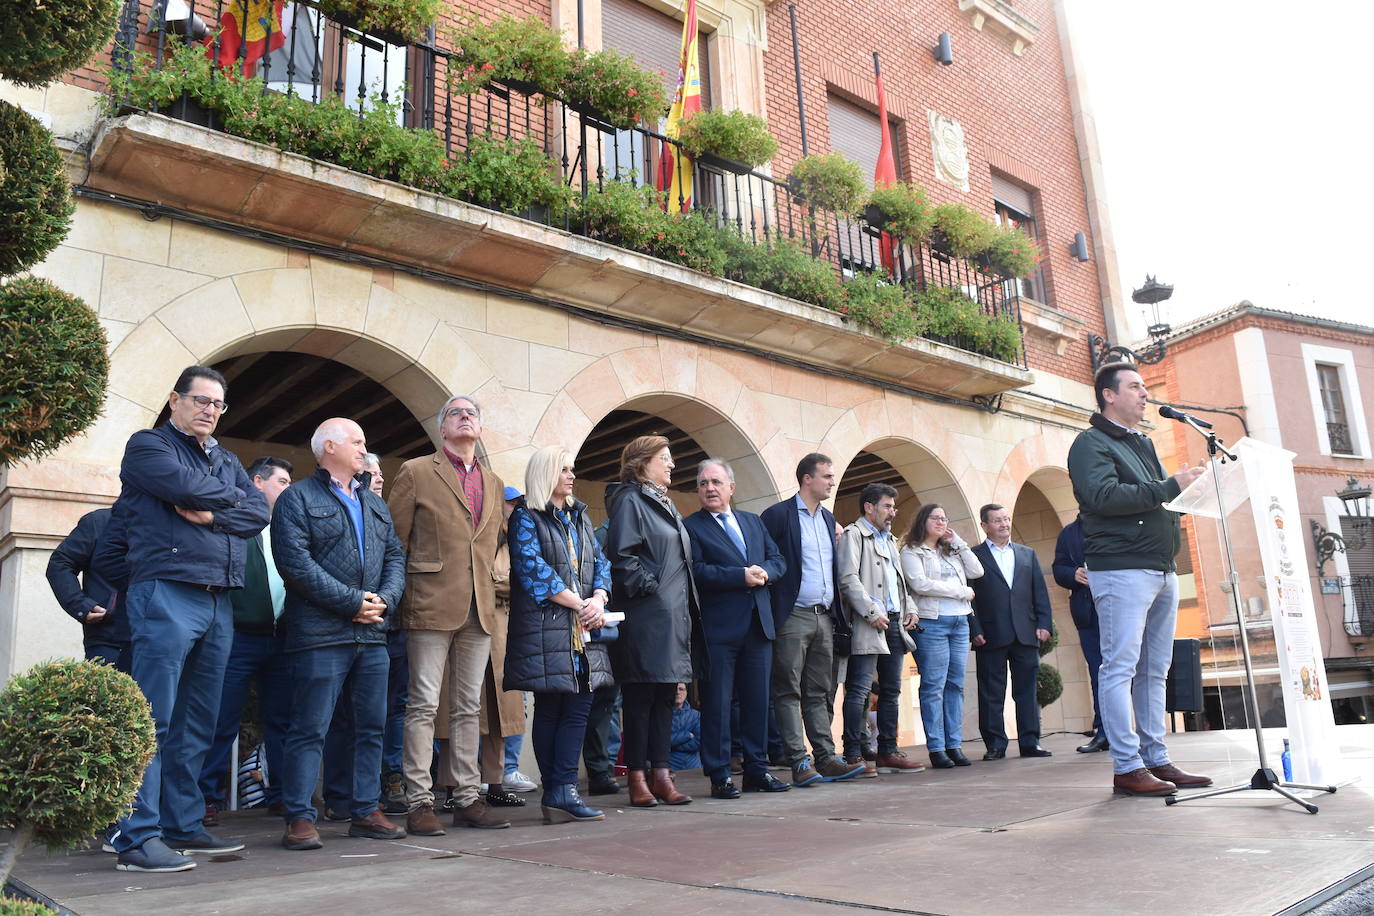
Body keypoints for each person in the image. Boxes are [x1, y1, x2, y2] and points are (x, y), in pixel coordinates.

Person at [110, 365, 268, 872]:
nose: (209, 411)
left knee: (198, 721)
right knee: (151, 718)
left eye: (218, 404)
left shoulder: (225, 457)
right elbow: (184, 486)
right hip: (166, 590)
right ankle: (136, 837)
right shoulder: (148, 446)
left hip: (218, 599)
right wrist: (224, 499)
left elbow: (259, 512)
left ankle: (181, 825)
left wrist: (211, 512)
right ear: (175, 400)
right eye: (201, 400)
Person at [1066, 362, 1212, 797]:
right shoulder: (1089, 444)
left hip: (1161, 568)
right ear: (1108, 395)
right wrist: (1171, 486)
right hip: (1122, 570)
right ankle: (1127, 766)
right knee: (1120, 667)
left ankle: (1156, 758)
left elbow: (1153, 501)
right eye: (1135, 387)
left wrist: (1189, 491)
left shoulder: (1142, 442)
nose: (1145, 394)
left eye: (1145, 387)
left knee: (1155, 670)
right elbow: (1104, 497)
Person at [273, 419, 407, 850]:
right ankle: (299, 816)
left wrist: (383, 600)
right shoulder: (297, 498)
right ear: (329, 446)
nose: (364, 449)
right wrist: (353, 602)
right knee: (310, 727)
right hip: (319, 634)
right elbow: (294, 564)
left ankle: (365, 810)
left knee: (372, 726)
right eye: (357, 441)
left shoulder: (375, 503)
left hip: (372, 635)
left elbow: (395, 558)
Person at [389, 394, 509, 833]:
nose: (464, 417)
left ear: (479, 429)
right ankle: (419, 801)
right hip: (428, 603)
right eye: (455, 413)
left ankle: (467, 797)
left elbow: (494, 543)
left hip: (480, 608)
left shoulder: (494, 482)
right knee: (422, 704)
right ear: (442, 429)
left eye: (472, 413)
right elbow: (395, 541)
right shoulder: (416, 471)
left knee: (467, 708)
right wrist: (395, 599)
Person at [504, 446, 615, 823]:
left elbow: (600, 561)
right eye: (563, 469)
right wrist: (580, 605)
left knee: (579, 705)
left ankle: (561, 791)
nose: (571, 475)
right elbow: (533, 570)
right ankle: (559, 791)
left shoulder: (580, 517)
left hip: (583, 627)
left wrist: (598, 598)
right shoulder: (524, 516)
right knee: (553, 706)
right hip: (547, 629)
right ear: (545, 474)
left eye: (572, 469)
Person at [683, 458, 790, 798]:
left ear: (731, 487)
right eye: (703, 483)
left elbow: (778, 560)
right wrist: (739, 577)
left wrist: (766, 573)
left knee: (758, 702)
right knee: (716, 705)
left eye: (715, 482)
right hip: (718, 631)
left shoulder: (753, 522)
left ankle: (757, 771)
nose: (709, 488)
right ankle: (719, 775)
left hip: (758, 627)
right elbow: (696, 571)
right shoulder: (691, 527)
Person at [604, 435, 700, 807]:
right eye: (665, 458)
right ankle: (638, 777)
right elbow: (622, 556)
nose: (672, 464)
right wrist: (652, 589)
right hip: (647, 614)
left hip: (672, 615)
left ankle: (662, 774)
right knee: (641, 696)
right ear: (642, 462)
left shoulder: (665, 501)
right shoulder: (630, 499)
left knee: (666, 697)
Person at [198, 456, 294, 826]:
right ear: (257, 482)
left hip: (281, 640)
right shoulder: (236, 524)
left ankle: (284, 796)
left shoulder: (288, 529)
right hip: (237, 637)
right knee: (221, 720)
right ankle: (206, 798)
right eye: (282, 482)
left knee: (283, 721)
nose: (289, 489)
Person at [760, 453, 867, 786]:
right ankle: (798, 761)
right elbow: (769, 560)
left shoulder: (826, 518)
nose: (833, 482)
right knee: (788, 690)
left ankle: (826, 758)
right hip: (792, 615)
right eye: (827, 476)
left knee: (819, 691)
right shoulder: (778, 515)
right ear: (807, 479)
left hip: (824, 616)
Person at [837, 483, 924, 774]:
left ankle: (888, 750)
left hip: (895, 622)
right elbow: (848, 578)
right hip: (868, 622)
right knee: (860, 689)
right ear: (869, 507)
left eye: (893, 507)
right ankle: (852, 753)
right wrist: (871, 612)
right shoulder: (854, 535)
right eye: (887, 506)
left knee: (891, 690)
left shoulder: (889, 540)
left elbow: (899, 583)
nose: (892, 512)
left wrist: (910, 608)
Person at [900, 503, 984, 769]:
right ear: (922, 520)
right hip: (932, 623)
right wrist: (961, 592)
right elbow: (920, 584)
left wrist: (957, 541)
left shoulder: (951, 551)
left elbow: (977, 571)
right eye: (935, 518)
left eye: (944, 518)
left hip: (960, 622)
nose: (941, 522)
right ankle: (936, 748)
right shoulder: (912, 551)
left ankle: (954, 745)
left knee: (955, 685)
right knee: (934, 685)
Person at [969, 504, 1053, 760]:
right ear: (984, 526)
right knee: (991, 692)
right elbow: (969, 598)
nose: (1004, 524)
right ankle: (995, 744)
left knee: (1027, 691)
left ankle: (1030, 742)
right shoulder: (974, 556)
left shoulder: (1027, 554)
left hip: (1026, 632)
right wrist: (975, 628)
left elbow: (1040, 592)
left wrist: (1044, 623)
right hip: (990, 634)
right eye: (997, 521)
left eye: (1006, 519)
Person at [362, 451, 406, 813]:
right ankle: (348, 791)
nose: (378, 479)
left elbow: (396, 560)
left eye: (380, 474)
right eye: (370, 473)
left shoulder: (388, 515)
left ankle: (392, 777)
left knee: (395, 709)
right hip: (355, 624)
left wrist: (386, 600)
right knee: (353, 713)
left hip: (393, 624)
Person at [485, 485, 532, 806]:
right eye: (510, 504)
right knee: (490, 706)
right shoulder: (490, 538)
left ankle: (509, 769)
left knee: (517, 703)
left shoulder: (522, 537)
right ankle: (491, 774)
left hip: (518, 632)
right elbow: (496, 578)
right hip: (491, 632)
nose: (515, 509)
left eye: (518, 504)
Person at [45, 507, 131, 673]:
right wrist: (80, 605)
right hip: (108, 639)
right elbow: (60, 564)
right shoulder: (99, 521)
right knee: (107, 698)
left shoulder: (171, 524)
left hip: (163, 640)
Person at [1053, 517, 1108, 753]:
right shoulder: (1069, 533)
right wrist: (1072, 574)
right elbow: (1059, 568)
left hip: (1121, 609)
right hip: (1088, 614)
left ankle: (1133, 733)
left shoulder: (1115, 520)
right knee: (1098, 673)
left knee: (1131, 673)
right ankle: (1104, 732)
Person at [669, 683, 702, 772]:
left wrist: (672, 746)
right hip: (670, 768)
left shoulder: (696, 715)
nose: (677, 692)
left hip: (694, 767)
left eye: (681, 689)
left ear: (686, 692)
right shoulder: (662, 716)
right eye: (675, 689)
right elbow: (660, 742)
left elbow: (699, 742)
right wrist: (686, 735)